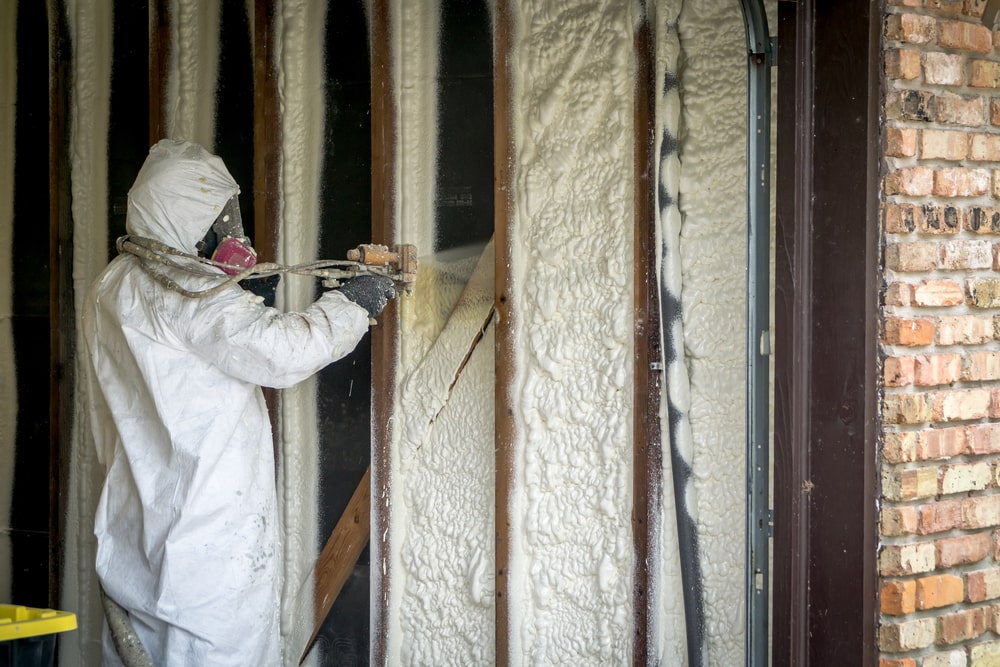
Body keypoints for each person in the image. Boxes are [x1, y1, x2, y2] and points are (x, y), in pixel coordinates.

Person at [82, 139, 394, 665]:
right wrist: (354, 301)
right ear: (184, 217)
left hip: (137, 536)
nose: (224, 232)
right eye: (214, 219)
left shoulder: (111, 283)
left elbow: (178, 353)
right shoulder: (191, 290)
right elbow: (283, 352)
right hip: (204, 546)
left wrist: (241, 302)